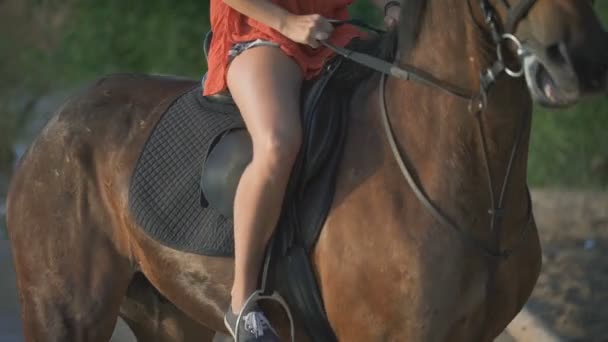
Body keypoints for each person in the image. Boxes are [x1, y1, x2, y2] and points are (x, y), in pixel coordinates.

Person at [204, 0, 401, 340]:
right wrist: (287, 21)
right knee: (277, 143)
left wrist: (392, 6)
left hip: (331, 35)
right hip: (261, 33)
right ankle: (242, 303)